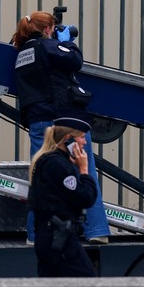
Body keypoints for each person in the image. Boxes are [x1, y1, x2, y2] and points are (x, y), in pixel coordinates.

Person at [11, 10, 110, 245]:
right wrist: (65, 43)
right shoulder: (47, 46)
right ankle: (96, 230)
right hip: (64, 120)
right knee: (85, 169)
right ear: (47, 29)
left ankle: (35, 235)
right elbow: (74, 61)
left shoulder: (21, 53)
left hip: (37, 121)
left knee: (41, 174)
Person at [27, 117, 98, 277]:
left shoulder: (54, 161)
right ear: (68, 140)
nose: (84, 143)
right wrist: (84, 169)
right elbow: (86, 197)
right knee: (87, 282)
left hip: (53, 236)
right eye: (81, 137)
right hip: (57, 238)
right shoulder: (57, 165)